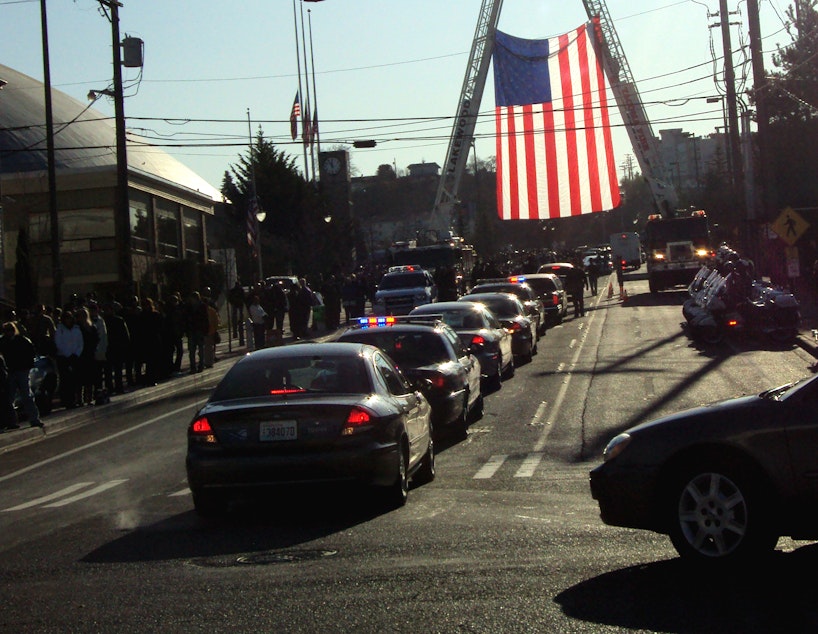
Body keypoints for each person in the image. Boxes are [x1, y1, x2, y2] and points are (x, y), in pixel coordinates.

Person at [0, 321, 42, 427]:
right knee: (9, 398)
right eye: (6, 330)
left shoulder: (22, 341)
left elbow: (31, 352)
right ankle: (11, 421)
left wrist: (27, 366)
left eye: (10, 330)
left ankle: (34, 419)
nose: (9, 332)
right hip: (10, 372)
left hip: (22, 370)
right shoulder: (2, 342)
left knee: (27, 395)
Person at [55, 309, 83, 409]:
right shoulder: (60, 329)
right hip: (63, 357)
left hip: (75, 357)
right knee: (65, 379)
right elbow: (59, 343)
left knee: (74, 380)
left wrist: (76, 354)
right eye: (66, 318)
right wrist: (67, 354)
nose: (68, 320)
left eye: (69, 318)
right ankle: (66, 401)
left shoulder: (76, 329)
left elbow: (80, 343)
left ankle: (74, 399)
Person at [0, 352, 18, 430]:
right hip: (3, 382)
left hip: (2, 382)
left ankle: (10, 422)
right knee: (6, 403)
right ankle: (8, 422)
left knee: (6, 403)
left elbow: (3, 372)